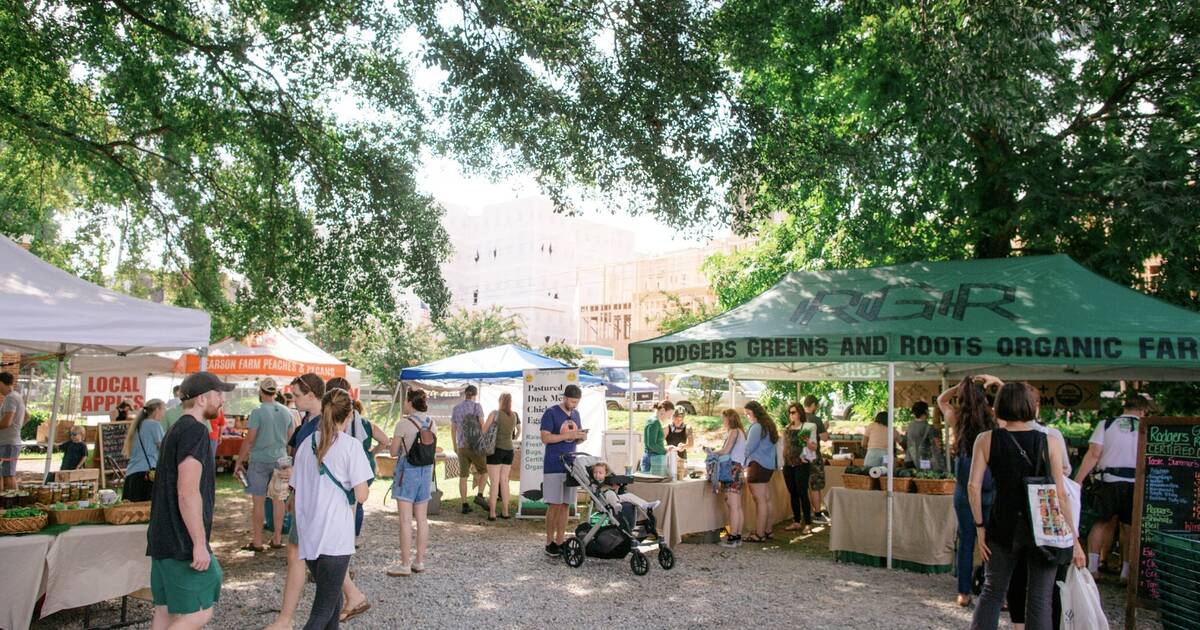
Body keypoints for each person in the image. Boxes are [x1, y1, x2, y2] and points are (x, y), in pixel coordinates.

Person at [969, 383, 1085, 630]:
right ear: (1031, 406)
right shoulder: (1050, 441)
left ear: (1000, 405)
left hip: (1002, 524)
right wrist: (1075, 539)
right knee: (1040, 597)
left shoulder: (986, 439)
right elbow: (1060, 494)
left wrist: (980, 528)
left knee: (992, 591)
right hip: (1044, 525)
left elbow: (973, 486)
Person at [146, 371, 233, 630]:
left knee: (165, 612)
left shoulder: (175, 429)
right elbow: (187, 491)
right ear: (203, 399)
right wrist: (199, 543)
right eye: (219, 395)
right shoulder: (195, 431)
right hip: (181, 541)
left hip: (162, 538)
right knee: (198, 614)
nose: (222, 401)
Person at [290, 387, 373, 629]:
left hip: (309, 532)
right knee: (321, 611)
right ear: (349, 416)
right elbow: (362, 494)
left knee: (333, 599)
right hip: (335, 535)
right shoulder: (350, 446)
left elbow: (296, 486)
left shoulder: (306, 444)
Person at [939, 375, 1000, 608]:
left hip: (965, 489)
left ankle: (964, 592)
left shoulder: (956, 418)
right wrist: (997, 382)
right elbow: (1013, 403)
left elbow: (942, 401)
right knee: (991, 541)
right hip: (989, 486)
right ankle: (991, 589)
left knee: (967, 540)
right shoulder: (993, 419)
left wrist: (959, 387)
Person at [1074, 395, 1149, 582]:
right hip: (1136, 483)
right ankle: (1125, 573)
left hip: (1107, 481)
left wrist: (1078, 479)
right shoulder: (1147, 427)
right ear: (1143, 411)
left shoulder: (1106, 424)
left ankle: (1092, 569)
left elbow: (1094, 453)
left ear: (1125, 408)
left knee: (1100, 522)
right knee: (1129, 528)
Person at [325, 377, 390, 539]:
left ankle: (340, 535)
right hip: (363, 466)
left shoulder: (326, 423)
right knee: (358, 503)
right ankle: (353, 537)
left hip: (339, 466)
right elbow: (385, 440)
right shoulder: (366, 423)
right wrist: (372, 452)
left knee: (341, 500)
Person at [233, 378, 293, 552]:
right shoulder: (286, 411)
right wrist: (287, 458)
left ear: (261, 391)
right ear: (276, 392)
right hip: (280, 459)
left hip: (259, 460)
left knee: (258, 502)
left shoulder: (257, 412)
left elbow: (250, 440)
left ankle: (258, 541)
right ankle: (276, 538)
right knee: (278, 500)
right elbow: (291, 439)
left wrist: (239, 461)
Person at [386, 388, 436, 576]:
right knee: (422, 519)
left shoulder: (403, 424)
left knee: (405, 521)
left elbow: (393, 451)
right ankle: (420, 561)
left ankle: (405, 564)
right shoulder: (432, 423)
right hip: (426, 472)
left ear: (410, 402)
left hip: (407, 472)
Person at [539, 384, 585, 556]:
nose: (574, 405)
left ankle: (560, 540)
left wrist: (580, 437)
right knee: (555, 505)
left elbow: (575, 437)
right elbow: (545, 437)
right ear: (564, 398)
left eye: (576, 403)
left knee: (566, 505)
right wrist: (568, 436)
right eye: (572, 402)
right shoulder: (551, 413)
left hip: (571, 464)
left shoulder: (576, 414)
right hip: (554, 464)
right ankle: (549, 542)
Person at [706, 409, 747, 548]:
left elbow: (726, 451)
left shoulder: (734, 431)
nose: (723, 421)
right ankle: (737, 535)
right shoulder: (740, 432)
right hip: (738, 469)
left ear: (729, 419)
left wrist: (711, 452)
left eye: (724, 419)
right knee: (737, 506)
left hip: (732, 470)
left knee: (733, 506)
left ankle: (733, 537)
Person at [743, 400, 779, 543]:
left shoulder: (757, 427)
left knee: (760, 501)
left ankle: (759, 533)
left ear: (755, 413)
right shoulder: (768, 426)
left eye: (748, 414)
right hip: (767, 466)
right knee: (766, 499)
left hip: (757, 466)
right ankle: (767, 530)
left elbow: (748, 448)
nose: (747, 416)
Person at [449, 385, 488, 514]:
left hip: (461, 446)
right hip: (475, 446)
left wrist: (455, 445)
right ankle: (480, 495)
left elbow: (453, 428)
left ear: (465, 393)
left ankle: (464, 504)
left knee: (463, 476)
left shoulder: (456, 408)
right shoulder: (477, 407)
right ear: (475, 395)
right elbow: (482, 425)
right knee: (484, 470)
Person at [482, 392, 519, 520]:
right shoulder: (514, 415)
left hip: (495, 450)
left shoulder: (495, 414)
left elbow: (484, 430)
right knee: (504, 481)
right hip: (509, 450)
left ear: (500, 401)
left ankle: (492, 512)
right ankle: (505, 511)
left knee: (494, 482)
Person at [782, 402, 818, 532]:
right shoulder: (786, 428)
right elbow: (784, 447)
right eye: (789, 413)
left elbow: (814, 447)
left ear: (800, 413)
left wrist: (807, 441)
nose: (791, 415)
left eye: (793, 412)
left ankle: (807, 523)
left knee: (802, 492)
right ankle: (796, 521)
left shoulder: (808, 427)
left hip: (801, 463)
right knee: (793, 493)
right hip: (788, 464)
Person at [590, 461, 659, 529]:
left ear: (605, 474)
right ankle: (616, 505)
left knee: (629, 495)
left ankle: (646, 505)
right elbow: (598, 490)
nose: (597, 474)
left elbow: (611, 488)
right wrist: (609, 488)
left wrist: (614, 487)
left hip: (613, 498)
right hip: (603, 501)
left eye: (600, 473)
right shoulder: (594, 483)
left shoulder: (607, 480)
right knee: (609, 492)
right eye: (595, 472)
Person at [124, 400, 167, 502]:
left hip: (132, 473)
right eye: (163, 409)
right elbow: (164, 448)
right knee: (147, 511)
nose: (164, 414)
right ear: (157, 410)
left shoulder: (137, 426)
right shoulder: (154, 425)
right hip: (147, 474)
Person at [801, 396, 830, 524]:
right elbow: (824, 438)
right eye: (816, 406)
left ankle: (804, 515)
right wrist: (825, 427)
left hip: (800, 456)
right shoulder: (815, 419)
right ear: (813, 405)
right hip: (813, 455)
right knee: (815, 486)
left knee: (803, 486)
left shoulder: (798, 418)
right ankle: (818, 514)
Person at [0, 372, 27, 491]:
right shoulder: (17, 396)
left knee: (8, 475)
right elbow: (27, 416)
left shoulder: (10, 398)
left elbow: (6, 422)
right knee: (5, 474)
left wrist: (14, 429)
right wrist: (17, 428)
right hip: (9, 441)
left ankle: (12, 506)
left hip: (9, 444)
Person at [904, 401, 944, 472]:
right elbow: (937, 445)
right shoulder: (929, 427)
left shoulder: (909, 426)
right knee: (924, 480)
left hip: (908, 460)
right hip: (923, 462)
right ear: (926, 411)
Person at [641, 401, 669, 472]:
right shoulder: (654, 422)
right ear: (663, 410)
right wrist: (665, 452)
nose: (669, 417)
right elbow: (651, 444)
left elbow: (653, 442)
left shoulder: (653, 420)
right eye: (670, 414)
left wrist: (665, 448)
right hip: (652, 458)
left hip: (651, 456)